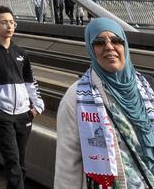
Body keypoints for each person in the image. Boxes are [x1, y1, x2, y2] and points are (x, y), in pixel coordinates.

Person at [55, 18, 154, 188]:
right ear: (91, 49)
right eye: (100, 42)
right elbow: (67, 164)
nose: (109, 46)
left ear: (125, 46)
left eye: (116, 40)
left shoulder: (147, 86)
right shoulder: (76, 98)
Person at [0, 5, 44, 189]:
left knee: (20, 163)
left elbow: (31, 83)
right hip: (2, 115)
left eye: (12, 22)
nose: (9, 26)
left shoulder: (21, 53)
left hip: (24, 115)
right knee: (12, 162)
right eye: (4, 22)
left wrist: (36, 107)